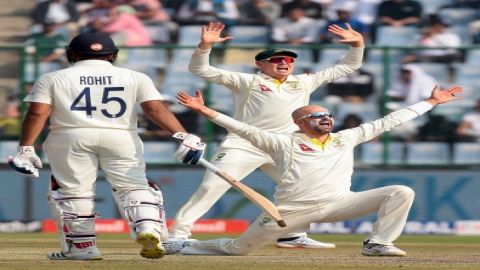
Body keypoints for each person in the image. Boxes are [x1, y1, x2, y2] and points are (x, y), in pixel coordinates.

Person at [166, 84, 463, 256]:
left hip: (339, 203)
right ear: (299, 123)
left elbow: (390, 120)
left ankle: (378, 243)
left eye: (328, 115)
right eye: (317, 115)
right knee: (239, 249)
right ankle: (184, 245)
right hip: (290, 211)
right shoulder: (281, 142)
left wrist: (432, 102)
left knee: (400, 191)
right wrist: (205, 111)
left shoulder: (346, 138)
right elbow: (242, 128)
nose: (326, 119)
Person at [7, 32, 202, 260]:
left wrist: (26, 148)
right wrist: (183, 135)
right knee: (134, 186)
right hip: (121, 136)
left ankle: (83, 249)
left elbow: (37, 112)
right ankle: (149, 228)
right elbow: (155, 109)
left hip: (70, 136)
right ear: (113, 55)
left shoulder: (53, 77)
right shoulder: (135, 77)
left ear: (72, 54)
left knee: (74, 192)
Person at [170, 21, 365, 249]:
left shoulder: (304, 81)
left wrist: (358, 44)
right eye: (276, 60)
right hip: (244, 144)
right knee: (211, 186)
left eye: (289, 60)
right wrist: (204, 47)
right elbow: (200, 70)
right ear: (260, 65)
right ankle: (177, 235)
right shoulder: (248, 81)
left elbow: (347, 67)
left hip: (283, 146)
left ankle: (290, 235)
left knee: (302, 188)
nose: (284, 63)